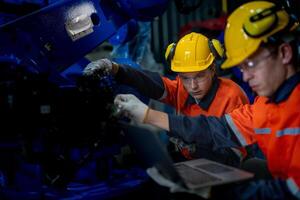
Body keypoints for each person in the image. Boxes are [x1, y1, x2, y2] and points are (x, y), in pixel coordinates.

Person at [114, 1, 300, 199]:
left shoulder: (251, 99)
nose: (246, 77)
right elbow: (215, 129)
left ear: (284, 53)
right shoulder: (264, 106)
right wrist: (118, 71)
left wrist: (215, 193)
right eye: (242, 68)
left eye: (252, 63)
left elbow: (289, 191)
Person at [83, 32, 249, 166]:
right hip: (190, 164)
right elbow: (152, 82)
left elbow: (235, 158)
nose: (192, 86)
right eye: (185, 77)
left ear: (213, 69)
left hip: (225, 171)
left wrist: (194, 147)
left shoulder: (232, 96)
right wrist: (115, 68)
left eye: (199, 76)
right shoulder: (181, 89)